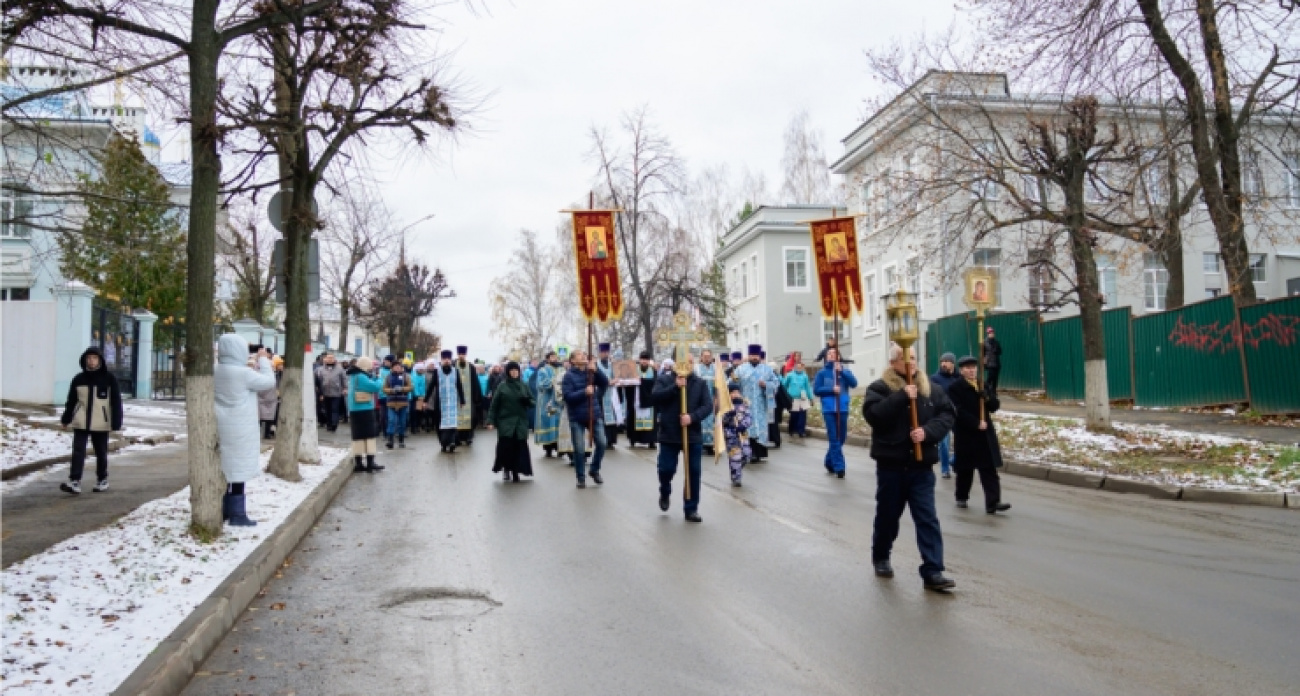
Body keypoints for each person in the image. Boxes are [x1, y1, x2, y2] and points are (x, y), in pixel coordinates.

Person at [863, 343, 957, 592]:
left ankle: (933, 570)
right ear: (893, 362)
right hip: (892, 467)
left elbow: (947, 415)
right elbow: (874, 415)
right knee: (888, 516)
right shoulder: (879, 388)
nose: (912, 363)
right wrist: (902, 396)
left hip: (920, 468)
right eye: (906, 358)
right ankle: (881, 555)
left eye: (914, 358)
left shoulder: (931, 389)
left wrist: (927, 432)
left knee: (927, 518)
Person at [214, 335, 277, 526]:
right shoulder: (243, 373)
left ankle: (223, 509)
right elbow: (268, 382)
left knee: (225, 468)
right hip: (241, 428)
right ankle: (237, 514)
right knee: (238, 472)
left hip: (220, 425)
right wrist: (264, 359)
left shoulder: (215, 371)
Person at [652, 358, 712, 523]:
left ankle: (691, 508)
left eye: (691, 361)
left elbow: (707, 406)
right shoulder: (664, 379)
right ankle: (665, 490)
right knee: (666, 469)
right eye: (684, 361)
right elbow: (655, 397)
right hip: (669, 434)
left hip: (692, 434)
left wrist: (692, 417)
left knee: (693, 472)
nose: (688, 364)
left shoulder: (699, 383)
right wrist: (675, 387)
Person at [949, 355, 1011, 514]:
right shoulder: (955, 387)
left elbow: (995, 406)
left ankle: (993, 502)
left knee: (988, 469)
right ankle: (961, 496)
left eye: (973, 367)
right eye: (967, 368)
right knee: (965, 469)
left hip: (984, 435)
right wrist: (976, 423)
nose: (971, 370)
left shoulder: (982, 384)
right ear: (961, 371)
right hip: (967, 435)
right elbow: (957, 411)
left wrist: (987, 397)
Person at [58, 346, 123, 494]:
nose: (91, 361)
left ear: (100, 360)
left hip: (101, 421)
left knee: (101, 452)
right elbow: (71, 401)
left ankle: (102, 479)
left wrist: (116, 421)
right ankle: (74, 481)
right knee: (78, 451)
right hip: (81, 420)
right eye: (88, 358)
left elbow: (116, 401)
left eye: (94, 358)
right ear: (84, 360)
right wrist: (66, 418)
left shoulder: (109, 379)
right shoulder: (78, 379)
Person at [562, 350, 611, 488]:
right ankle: (580, 477)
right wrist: (584, 392)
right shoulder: (568, 376)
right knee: (579, 449)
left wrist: (596, 371)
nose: (583, 355)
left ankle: (594, 469)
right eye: (579, 354)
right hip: (577, 416)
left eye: (584, 353)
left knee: (602, 443)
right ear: (572, 361)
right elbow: (568, 397)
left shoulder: (591, 371)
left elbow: (604, 383)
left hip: (594, 413)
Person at [814, 347, 859, 478]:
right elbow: (816, 390)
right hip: (829, 409)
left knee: (842, 437)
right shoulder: (822, 373)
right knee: (834, 438)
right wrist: (831, 389)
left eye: (834, 353)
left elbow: (854, 384)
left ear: (839, 356)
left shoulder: (845, 371)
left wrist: (843, 372)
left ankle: (829, 461)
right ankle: (840, 467)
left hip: (842, 408)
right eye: (829, 353)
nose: (832, 355)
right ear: (826, 357)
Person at [488, 361, 535, 482]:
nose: (514, 373)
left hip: (520, 421)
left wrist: (527, 401)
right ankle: (506, 469)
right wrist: (490, 421)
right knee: (506, 447)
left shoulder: (523, 385)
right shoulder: (502, 386)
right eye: (512, 370)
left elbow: (533, 401)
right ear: (508, 372)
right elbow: (494, 405)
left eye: (516, 370)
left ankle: (516, 471)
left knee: (519, 447)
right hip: (506, 421)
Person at [346, 356, 385, 472]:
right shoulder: (361, 377)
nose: (371, 369)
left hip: (354, 410)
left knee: (358, 437)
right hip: (365, 409)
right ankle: (370, 462)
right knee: (369, 436)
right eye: (370, 366)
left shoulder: (354, 376)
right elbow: (376, 387)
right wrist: (378, 379)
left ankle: (359, 463)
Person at [735, 345, 771, 462]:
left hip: (760, 405)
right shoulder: (741, 369)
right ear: (749, 356)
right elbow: (732, 383)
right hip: (746, 405)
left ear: (759, 356)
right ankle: (748, 453)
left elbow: (776, 383)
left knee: (760, 428)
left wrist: (766, 385)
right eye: (752, 355)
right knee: (747, 428)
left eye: (756, 355)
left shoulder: (766, 369)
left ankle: (759, 453)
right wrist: (736, 395)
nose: (754, 357)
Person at [929, 353, 961, 479]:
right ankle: (945, 468)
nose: (944, 363)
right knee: (944, 443)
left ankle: (954, 461)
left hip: (958, 414)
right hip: (942, 414)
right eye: (942, 361)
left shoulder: (959, 378)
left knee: (962, 441)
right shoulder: (935, 379)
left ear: (953, 363)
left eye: (947, 361)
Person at [430, 350, 466, 453]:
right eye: (444, 359)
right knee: (440, 423)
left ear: (450, 360)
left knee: (452, 423)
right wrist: (425, 400)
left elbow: (459, 386)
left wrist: (462, 400)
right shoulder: (437, 372)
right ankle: (443, 443)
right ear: (441, 360)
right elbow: (431, 386)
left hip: (452, 402)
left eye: (448, 359)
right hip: (440, 402)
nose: (446, 361)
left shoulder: (455, 371)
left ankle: (452, 442)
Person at [622, 351, 658, 449]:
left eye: (646, 359)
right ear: (639, 359)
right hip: (636, 399)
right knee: (634, 418)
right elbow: (628, 382)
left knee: (650, 421)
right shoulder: (634, 369)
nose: (644, 362)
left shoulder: (653, 370)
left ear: (649, 360)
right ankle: (633, 439)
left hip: (649, 400)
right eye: (642, 359)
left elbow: (655, 383)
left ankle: (651, 441)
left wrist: (641, 381)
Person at [720, 383, 752, 487]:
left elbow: (749, 417)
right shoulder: (726, 406)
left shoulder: (744, 404)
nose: (735, 394)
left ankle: (737, 468)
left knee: (747, 455)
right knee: (735, 456)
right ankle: (736, 477)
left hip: (742, 434)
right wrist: (729, 415)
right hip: (731, 435)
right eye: (733, 392)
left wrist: (744, 425)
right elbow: (722, 420)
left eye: (737, 392)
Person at [534, 352, 563, 457]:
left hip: (559, 401)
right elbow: (541, 384)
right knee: (548, 422)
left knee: (559, 423)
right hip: (548, 401)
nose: (555, 359)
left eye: (556, 357)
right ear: (547, 359)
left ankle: (560, 448)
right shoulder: (543, 370)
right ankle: (548, 448)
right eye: (552, 357)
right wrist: (555, 382)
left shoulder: (561, 369)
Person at [454, 347, 483, 446]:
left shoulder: (470, 367)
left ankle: (469, 437)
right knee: (457, 417)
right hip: (456, 398)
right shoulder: (454, 365)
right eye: (460, 354)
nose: (461, 356)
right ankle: (457, 437)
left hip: (469, 398)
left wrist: (477, 397)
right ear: (457, 354)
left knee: (470, 417)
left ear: (465, 355)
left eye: (463, 354)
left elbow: (475, 382)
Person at [595, 343, 623, 449]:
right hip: (601, 393)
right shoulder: (596, 364)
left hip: (611, 394)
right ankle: (603, 439)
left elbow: (617, 376)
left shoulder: (612, 365)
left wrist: (616, 380)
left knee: (612, 416)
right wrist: (608, 382)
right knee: (602, 417)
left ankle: (611, 440)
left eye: (607, 352)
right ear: (600, 353)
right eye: (603, 352)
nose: (605, 354)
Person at [383, 360, 413, 448]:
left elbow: (411, 387)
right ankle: (390, 440)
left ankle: (401, 440)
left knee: (402, 422)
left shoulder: (405, 376)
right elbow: (384, 388)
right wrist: (391, 390)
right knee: (391, 420)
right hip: (391, 402)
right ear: (392, 368)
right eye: (395, 366)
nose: (397, 368)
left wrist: (402, 389)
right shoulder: (388, 377)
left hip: (403, 402)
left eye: (399, 366)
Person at [694, 349, 718, 455]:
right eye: (705, 356)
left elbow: (720, 385)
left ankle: (711, 445)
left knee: (712, 422)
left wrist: (717, 398)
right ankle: (701, 443)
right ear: (701, 357)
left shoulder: (716, 369)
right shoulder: (697, 369)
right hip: (700, 400)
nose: (707, 358)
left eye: (709, 356)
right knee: (701, 421)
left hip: (712, 399)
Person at [316, 353, 346, 432]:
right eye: (328, 358)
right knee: (327, 409)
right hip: (325, 392)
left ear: (334, 359)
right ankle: (328, 424)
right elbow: (318, 380)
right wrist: (319, 391)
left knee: (334, 409)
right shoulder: (321, 369)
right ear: (325, 359)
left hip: (336, 392)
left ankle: (334, 424)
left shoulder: (339, 369)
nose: (330, 359)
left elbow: (343, 379)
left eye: (331, 358)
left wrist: (345, 388)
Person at [782, 361, 813, 438]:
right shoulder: (790, 375)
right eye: (798, 367)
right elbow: (784, 385)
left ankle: (801, 431)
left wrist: (811, 398)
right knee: (794, 415)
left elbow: (807, 388)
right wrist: (785, 396)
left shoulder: (805, 376)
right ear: (795, 367)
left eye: (800, 367)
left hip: (803, 398)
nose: (799, 369)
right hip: (793, 398)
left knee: (802, 415)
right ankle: (792, 430)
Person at [258, 357, 279, 440]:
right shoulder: (272, 376)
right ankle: (266, 433)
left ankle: (265, 433)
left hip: (266, 399)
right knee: (266, 419)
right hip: (268, 399)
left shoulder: (260, 375)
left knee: (265, 419)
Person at [411, 362, 429, 435]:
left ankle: (418, 426)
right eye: (420, 369)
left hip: (421, 397)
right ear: (417, 369)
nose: (422, 370)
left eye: (422, 369)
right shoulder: (414, 376)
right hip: (416, 397)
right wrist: (418, 395)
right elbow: (415, 387)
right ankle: (414, 427)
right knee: (414, 413)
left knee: (420, 412)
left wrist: (424, 395)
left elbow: (424, 387)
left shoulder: (422, 376)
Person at [983, 327, 1002, 393]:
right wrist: (984, 361)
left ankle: (994, 392)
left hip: (996, 363)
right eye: (990, 333)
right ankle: (986, 390)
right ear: (987, 334)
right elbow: (983, 353)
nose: (992, 334)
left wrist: (996, 350)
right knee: (990, 377)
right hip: (989, 363)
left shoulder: (996, 342)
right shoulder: (985, 342)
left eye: (992, 333)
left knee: (995, 379)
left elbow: (1000, 351)